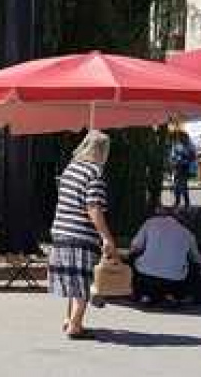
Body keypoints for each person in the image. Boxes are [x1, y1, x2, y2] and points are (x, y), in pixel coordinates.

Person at [48, 130, 117, 340]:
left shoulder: (70, 169)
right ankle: (76, 326)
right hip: (80, 234)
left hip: (60, 231)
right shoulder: (94, 174)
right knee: (84, 283)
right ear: (102, 151)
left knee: (72, 282)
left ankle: (69, 319)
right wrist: (106, 237)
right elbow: (93, 207)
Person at [129, 201, 201, 306]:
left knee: (132, 257)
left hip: (145, 278)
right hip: (174, 282)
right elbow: (197, 259)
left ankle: (137, 292)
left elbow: (135, 246)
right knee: (193, 265)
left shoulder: (150, 223)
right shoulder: (188, 233)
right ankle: (177, 295)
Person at [169, 131, 196, 209]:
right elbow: (173, 156)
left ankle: (185, 204)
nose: (180, 139)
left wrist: (183, 156)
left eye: (181, 137)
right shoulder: (177, 145)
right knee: (177, 187)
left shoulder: (190, 146)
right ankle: (179, 202)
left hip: (184, 168)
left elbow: (192, 156)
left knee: (182, 186)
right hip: (178, 167)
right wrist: (174, 161)